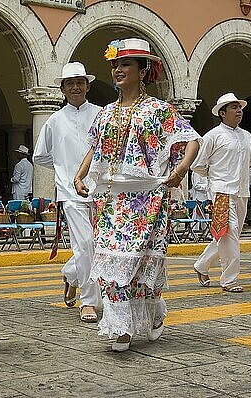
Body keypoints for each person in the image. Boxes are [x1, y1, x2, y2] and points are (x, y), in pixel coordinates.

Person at [74, 38, 200, 351]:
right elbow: (94, 147)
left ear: (143, 71)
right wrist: (79, 174)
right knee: (110, 261)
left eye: (125, 63)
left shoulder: (159, 110)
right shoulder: (104, 113)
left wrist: (181, 169)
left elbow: (191, 140)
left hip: (149, 199)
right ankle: (121, 328)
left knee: (140, 262)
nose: (117, 69)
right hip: (111, 199)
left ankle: (155, 310)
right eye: (114, 64)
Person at [33, 61, 102, 322]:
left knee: (99, 245)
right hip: (69, 192)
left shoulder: (101, 113)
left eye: (80, 83)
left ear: (87, 86)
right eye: (70, 83)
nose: (76, 87)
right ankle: (89, 301)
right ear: (62, 88)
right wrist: (62, 167)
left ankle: (72, 273)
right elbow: (40, 156)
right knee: (84, 244)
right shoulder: (53, 120)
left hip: (100, 188)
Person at [191, 93, 251, 293]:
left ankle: (202, 265)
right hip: (221, 191)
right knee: (230, 233)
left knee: (228, 235)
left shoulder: (247, 136)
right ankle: (229, 280)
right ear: (222, 113)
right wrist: (214, 179)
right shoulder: (213, 136)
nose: (239, 111)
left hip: (241, 192)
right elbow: (198, 165)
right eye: (233, 107)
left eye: (239, 107)